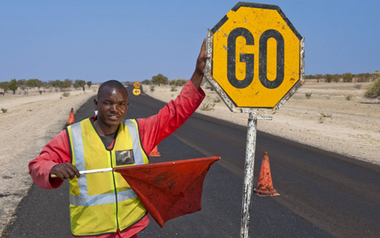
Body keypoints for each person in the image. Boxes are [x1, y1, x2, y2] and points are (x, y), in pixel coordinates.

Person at [29, 39, 209, 238]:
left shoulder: (139, 131)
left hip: (130, 231)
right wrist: (52, 169)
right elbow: (38, 165)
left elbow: (175, 112)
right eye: (108, 103)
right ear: (97, 103)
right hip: (90, 232)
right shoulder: (73, 136)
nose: (115, 109)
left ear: (127, 106)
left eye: (121, 104)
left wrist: (198, 74)